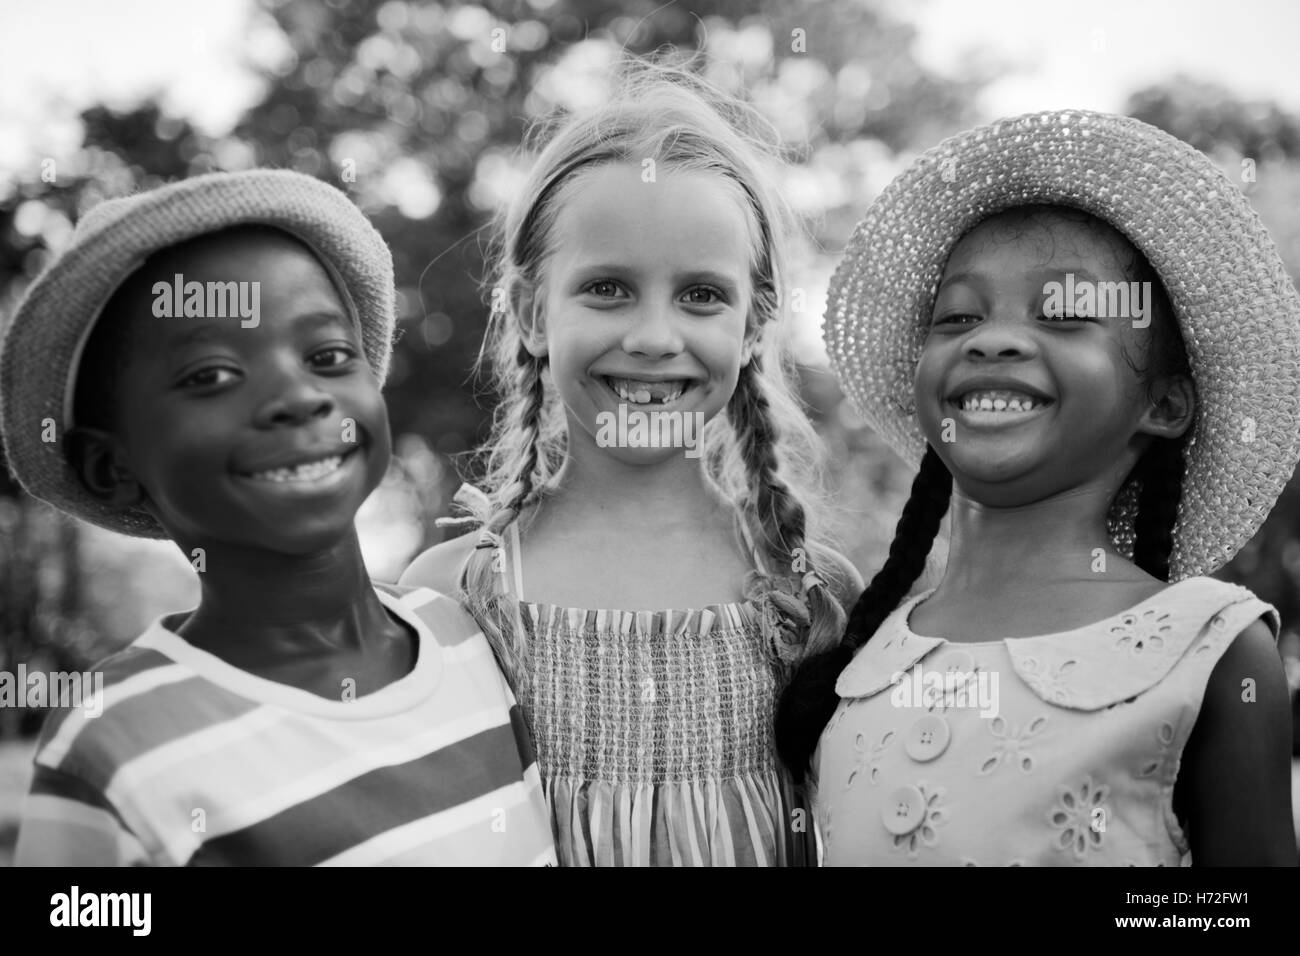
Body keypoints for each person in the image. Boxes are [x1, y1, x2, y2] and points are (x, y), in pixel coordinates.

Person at [777, 110, 1300, 866]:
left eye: (1064, 314)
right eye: (958, 315)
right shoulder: (858, 655)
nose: (991, 338)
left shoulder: (1211, 652)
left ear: (1163, 404)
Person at [2, 170, 555, 866]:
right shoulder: (113, 741)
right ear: (110, 466)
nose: (298, 396)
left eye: (326, 357)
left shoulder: (469, 638)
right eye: (210, 376)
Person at [402, 62, 861, 866]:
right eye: (608, 288)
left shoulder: (812, 594)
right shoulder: (454, 602)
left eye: (701, 296)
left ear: (755, 327)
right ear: (530, 312)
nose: (654, 335)